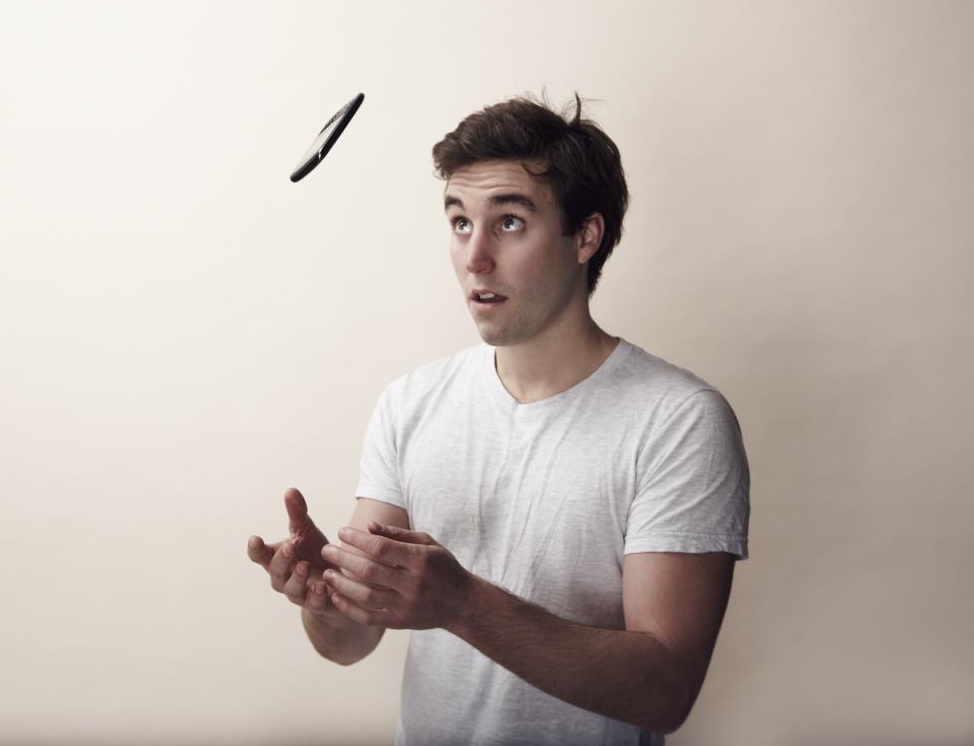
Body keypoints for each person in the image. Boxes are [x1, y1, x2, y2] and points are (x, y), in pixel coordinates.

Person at [247, 94, 751, 746]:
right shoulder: (410, 402)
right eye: (460, 222)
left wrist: (463, 604)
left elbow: (664, 692)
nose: (475, 257)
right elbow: (349, 644)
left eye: (509, 222)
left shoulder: (678, 422)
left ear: (586, 236)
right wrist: (326, 601)